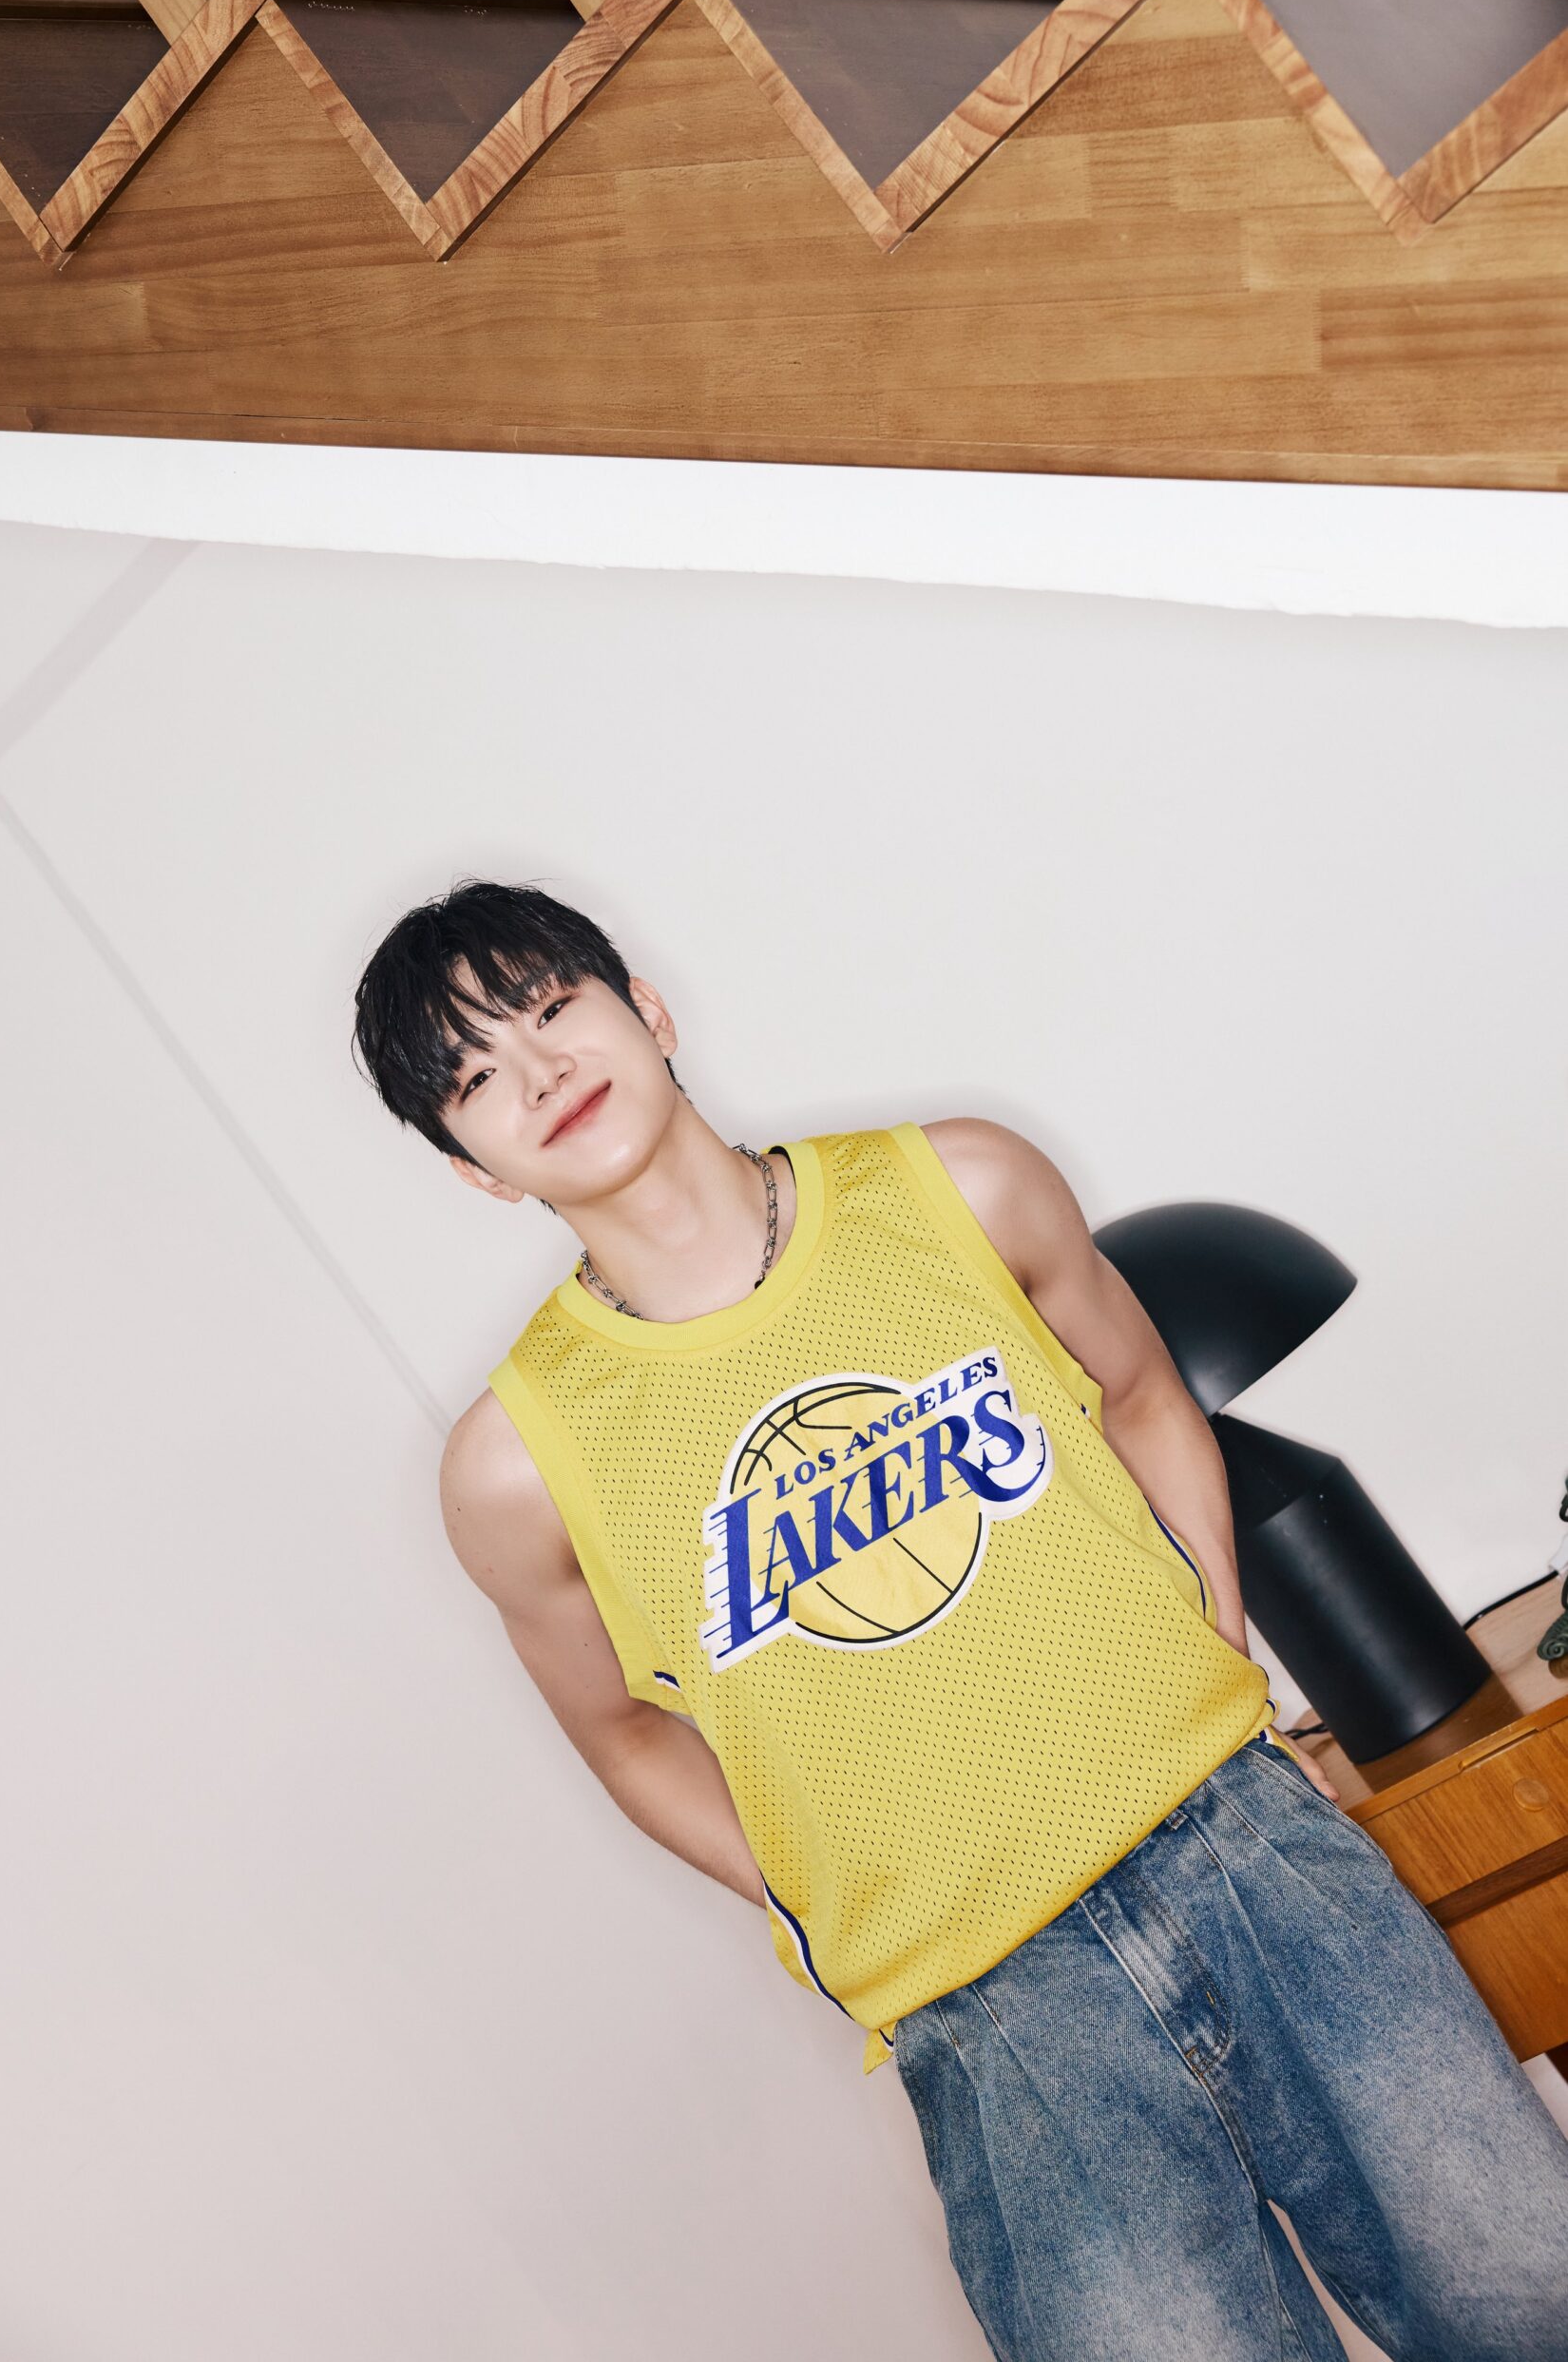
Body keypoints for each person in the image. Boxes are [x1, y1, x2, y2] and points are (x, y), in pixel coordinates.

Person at [353, 875, 1568, 2362]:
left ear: (646, 1009)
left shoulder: (965, 1187)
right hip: (992, 2016)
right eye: (477, 1077)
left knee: (1532, 2301)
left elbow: (1143, 1395)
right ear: (471, 1168)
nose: (541, 1071)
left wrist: (1213, 1652)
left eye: (551, 1008)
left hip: (1243, 1849)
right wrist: (824, 1890)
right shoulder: (515, 1465)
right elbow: (620, 1732)